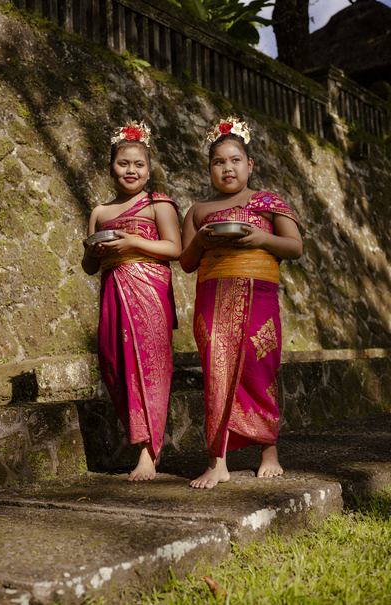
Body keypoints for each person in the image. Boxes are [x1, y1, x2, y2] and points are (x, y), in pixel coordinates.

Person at [180, 117, 303, 489]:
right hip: (212, 299)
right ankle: (217, 461)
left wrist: (260, 240)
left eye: (235, 160)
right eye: (219, 162)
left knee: (260, 368)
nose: (227, 168)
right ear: (209, 168)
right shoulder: (198, 211)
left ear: (250, 165)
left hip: (259, 296)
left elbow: (295, 247)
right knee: (216, 370)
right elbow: (186, 262)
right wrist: (201, 240)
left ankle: (269, 450)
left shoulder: (268, 202)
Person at [82, 120, 181, 481]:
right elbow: (89, 266)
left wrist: (133, 243)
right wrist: (95, 251)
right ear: (111, 166)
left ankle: (146, 452)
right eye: (124, 163)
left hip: (148, 293)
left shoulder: (158, 203)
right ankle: (156, 438)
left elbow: (174, 248)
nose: (131, 170)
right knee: (113, 365)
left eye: (139, 164)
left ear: (149, 169)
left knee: (148, 369)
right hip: (113, 292)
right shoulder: (99, 212)